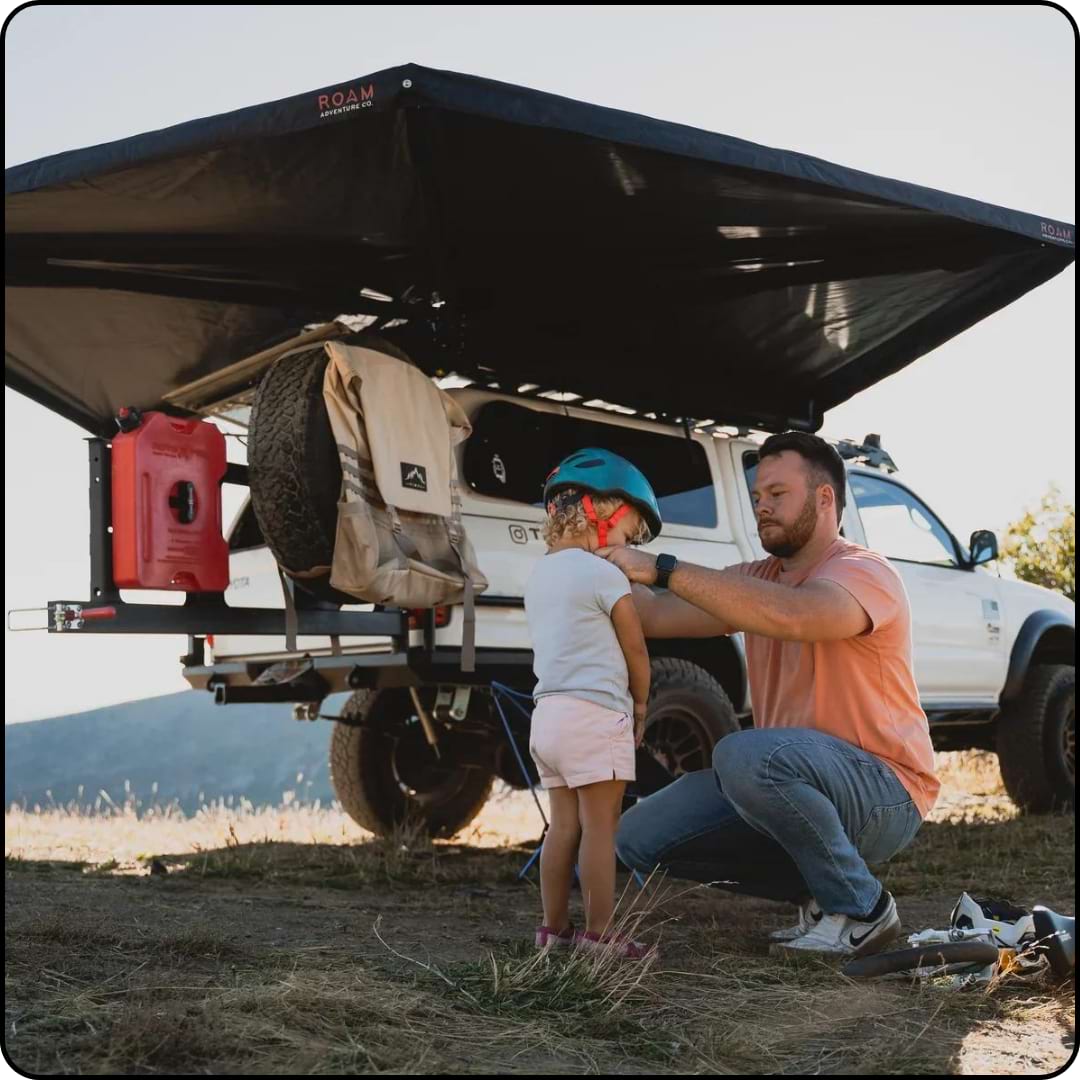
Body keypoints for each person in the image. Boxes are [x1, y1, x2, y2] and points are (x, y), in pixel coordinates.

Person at [599, 431, 939, 958]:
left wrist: (665, 567)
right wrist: (592, 555)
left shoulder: (864, 571)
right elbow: (653, 612)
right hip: (793, 783)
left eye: (777, 495)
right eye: (757, 497)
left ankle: (864, 910)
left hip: (884, 791)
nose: (761, 508)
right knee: (638, 836)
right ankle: (822, 896)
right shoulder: (752, 581)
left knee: (742, 753)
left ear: (825, 500)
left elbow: (792, 614)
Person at [525, 448, 660, 959]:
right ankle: (602, 937)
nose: (628, 547)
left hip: (548, 720)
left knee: (562, 828)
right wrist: (642, 706)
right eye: (630, 534)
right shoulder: (606, 575)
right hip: (595, 714)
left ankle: (552, 931)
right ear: (605, 515)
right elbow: (636, 651)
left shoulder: (539, 575)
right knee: (602, 828)